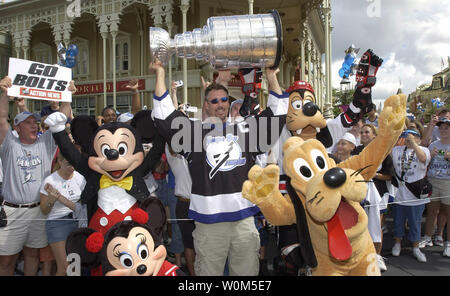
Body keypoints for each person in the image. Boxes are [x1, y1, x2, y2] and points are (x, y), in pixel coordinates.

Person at [150, 59, 287, 276]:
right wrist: (159, 73)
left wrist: (272, 78)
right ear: (206, 105)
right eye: (214, 101)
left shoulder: (245, 131)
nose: (220, 104)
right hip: (208, 224)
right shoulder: (194, 134)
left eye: (224, 99)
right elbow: (164, 114)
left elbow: (278, 113)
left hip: (243, 220)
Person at [0, 76, 74, 276]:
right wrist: (5, 93)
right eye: (27, 122)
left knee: (33, 255)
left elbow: (63, 118)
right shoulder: (9, 144)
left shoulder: (45, 144)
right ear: (17, 128)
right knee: (6, 260)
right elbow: (1, 117)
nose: (34, 125)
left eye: (35, 122)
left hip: (39, 211)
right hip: (12, 211)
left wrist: (67, 97)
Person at [352, 123, 394, 271]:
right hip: (359, 192)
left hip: (378, 192)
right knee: (359, 225)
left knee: (376, 225)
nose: (363, 135)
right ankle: (361, 255)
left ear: (374, 135)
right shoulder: (356, 151)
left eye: (366, 132)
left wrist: (374, 175)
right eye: (361, 132)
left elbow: (389, 176)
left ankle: (377, 256)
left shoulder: (384, 152)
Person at [39, 152, 86, 275]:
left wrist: (60, 198)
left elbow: (81, 206)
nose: (72, 168)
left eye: (73, 164)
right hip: (57, 223)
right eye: (68, 164)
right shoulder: (50, 181)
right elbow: (44, 210)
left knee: (75, 267)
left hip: (77, 222)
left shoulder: (80, 178)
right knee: (65, 267)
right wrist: (51, 200)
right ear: (59, 162)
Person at [391, 128, 430, 262]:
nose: (408, 139)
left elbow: (423, 159)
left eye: (412, 137)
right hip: (399, 195)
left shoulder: (424, 150)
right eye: (406, 136)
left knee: (415, 223)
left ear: (419, 138)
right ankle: (397, 243)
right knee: (398, 221)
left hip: (415, 196)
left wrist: (414, 144)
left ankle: (415, 247)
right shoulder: (397, 150)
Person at [419, 118, 450, 257]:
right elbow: (425, 152)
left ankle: (448, 243)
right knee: (432, 212)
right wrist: (430, 155)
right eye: (441, 128)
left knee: (448, 213)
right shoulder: (433, 145)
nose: (443, 130)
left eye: (446, 128)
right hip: (433, 181)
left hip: (448, 183)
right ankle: (427, 237)